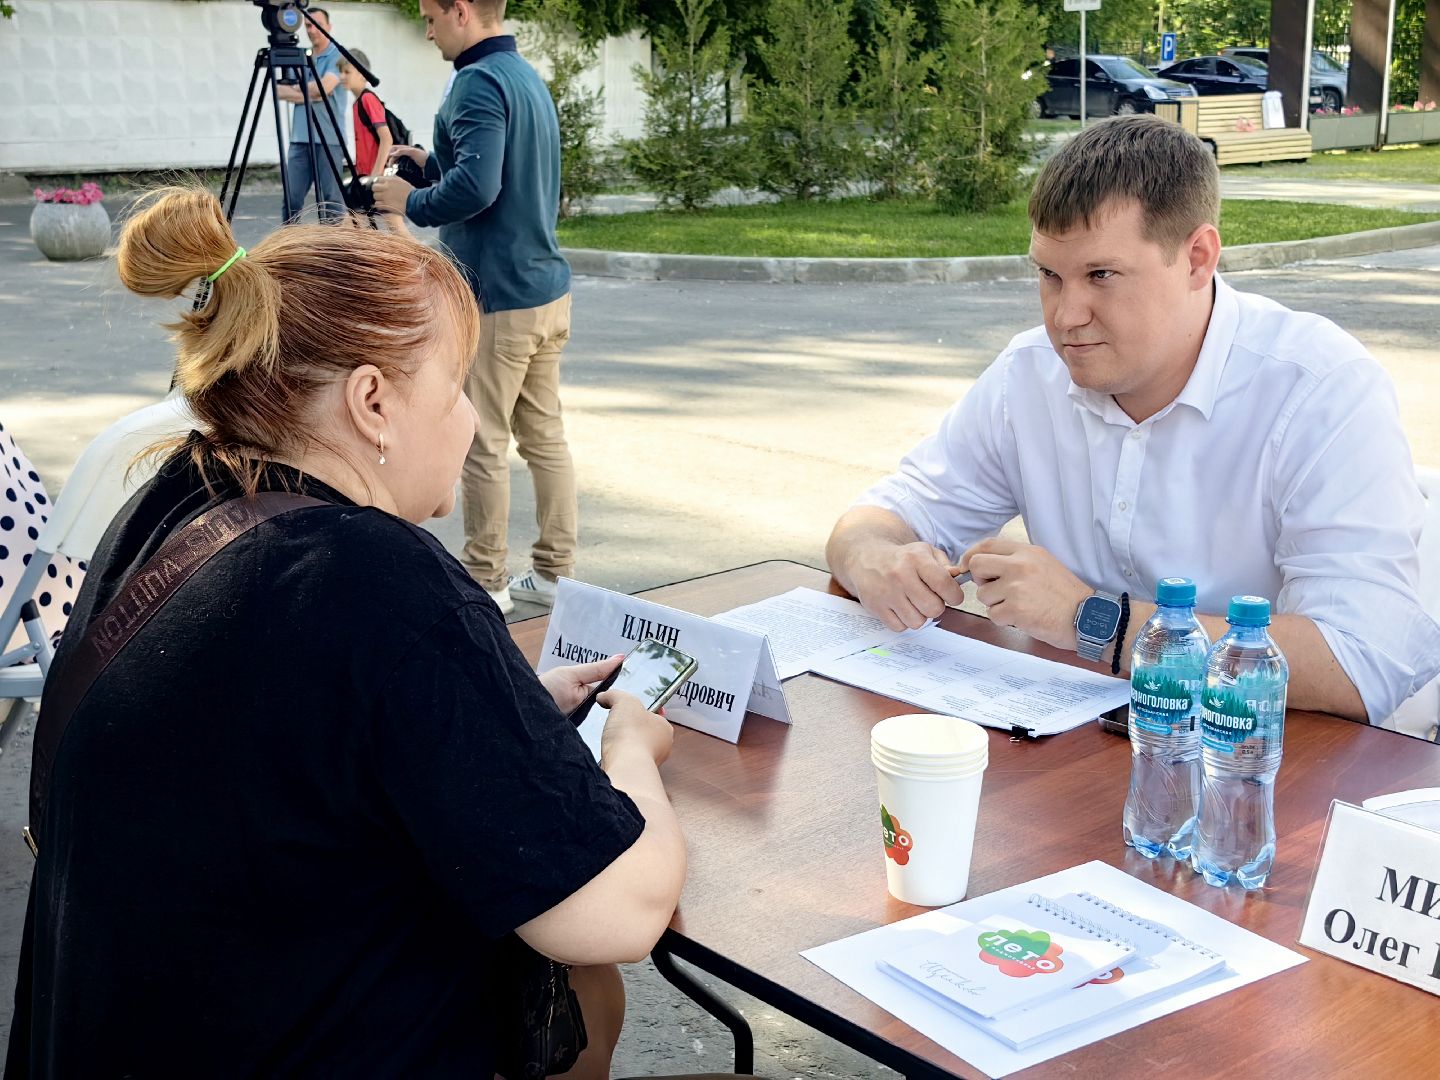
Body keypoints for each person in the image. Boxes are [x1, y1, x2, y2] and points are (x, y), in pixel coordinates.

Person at [4, 188, 685, 1078]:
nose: (474, 418)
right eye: (456, 386)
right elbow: (618, 913)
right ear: (373, 402)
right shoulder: (374, 574)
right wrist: (632, 745)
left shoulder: (175, 498)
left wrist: (503, 709)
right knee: (585, 977)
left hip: (124, 1031)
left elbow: (281, 743)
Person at [827, 114, 1440, 727]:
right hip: (1072, 752)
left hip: (1252, 768)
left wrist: (1092, 619)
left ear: (1197, 258)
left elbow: (1361, 663)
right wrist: (873, 558)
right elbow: (887, 514)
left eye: (1101, 275)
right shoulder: (1030, 374)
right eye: (1048, 275)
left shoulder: (1319, 390)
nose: (1066, 315)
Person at [373, 0, 577, 616]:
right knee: (544, 437)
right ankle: (556, 573)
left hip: (496, 298)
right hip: (544, 290)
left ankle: (486, 580)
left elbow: (478, 188)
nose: (427, 29)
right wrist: (431, 167)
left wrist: (410, 200)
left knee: (482, 440)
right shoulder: (522, 77)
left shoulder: (476, 80)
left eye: (430, 16)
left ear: (461, 11)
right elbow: (493, 174)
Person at [275, 6, 349, 222]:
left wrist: (297, 91)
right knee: (292, 199)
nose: (312, 30)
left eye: (317, 25)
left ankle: (333, 251)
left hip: (330, 139)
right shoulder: (301, 56)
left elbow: (324, 88)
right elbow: (278, 90)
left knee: (331, 200)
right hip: (299, 139)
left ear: (329, 27)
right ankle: (289, 247)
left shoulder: (337, 54)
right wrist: (311, 92)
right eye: (308, 25)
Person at [339, 49, 394, 181]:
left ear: (363, 75)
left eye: (347, 72)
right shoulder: (356, 104)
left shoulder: (368, 99)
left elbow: (387, 139)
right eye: (340, 71)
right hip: (365, 176)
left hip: (375, 177)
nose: (341, 76)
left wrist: (375, 176)